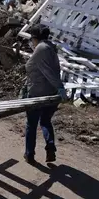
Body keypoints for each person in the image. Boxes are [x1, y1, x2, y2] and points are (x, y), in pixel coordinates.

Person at [23, 24, 68, 164]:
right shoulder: (50, 47)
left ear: (35, 38)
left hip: (38, 93)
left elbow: (47, 71)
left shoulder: (41, 48)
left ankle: (29, 154)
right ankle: (50, 147)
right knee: (45, 121)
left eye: (32, 39)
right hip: (51, 93)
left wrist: (60, 87)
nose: (31, 41)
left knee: (31, 124)